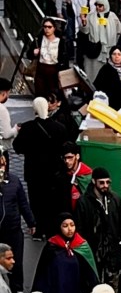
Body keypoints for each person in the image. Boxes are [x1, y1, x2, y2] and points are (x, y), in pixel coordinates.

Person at [75, 168, 121, 292]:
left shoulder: (115, 199)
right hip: (94, 250)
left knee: (113, 285)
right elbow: (80, 229)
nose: (105, 186)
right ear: (94, 181)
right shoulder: (84, 202)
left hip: (112, 250)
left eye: (108, 182)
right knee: (94, 284)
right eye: (101, 183)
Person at [13, 98, 67, 233]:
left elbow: (18, 148)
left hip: (34, 172)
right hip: (54, 172)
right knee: (52, 201)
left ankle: (38, 229)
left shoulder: (27, 128)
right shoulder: (59, 128)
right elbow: (64, 148)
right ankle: (53, 228)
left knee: (36, 202)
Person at [0, 154, 35, 293]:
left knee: (16, 261)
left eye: (3, 165)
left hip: (13, 230)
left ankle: (18, 290)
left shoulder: (14, 181)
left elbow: (23, 203)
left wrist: (31, 222)